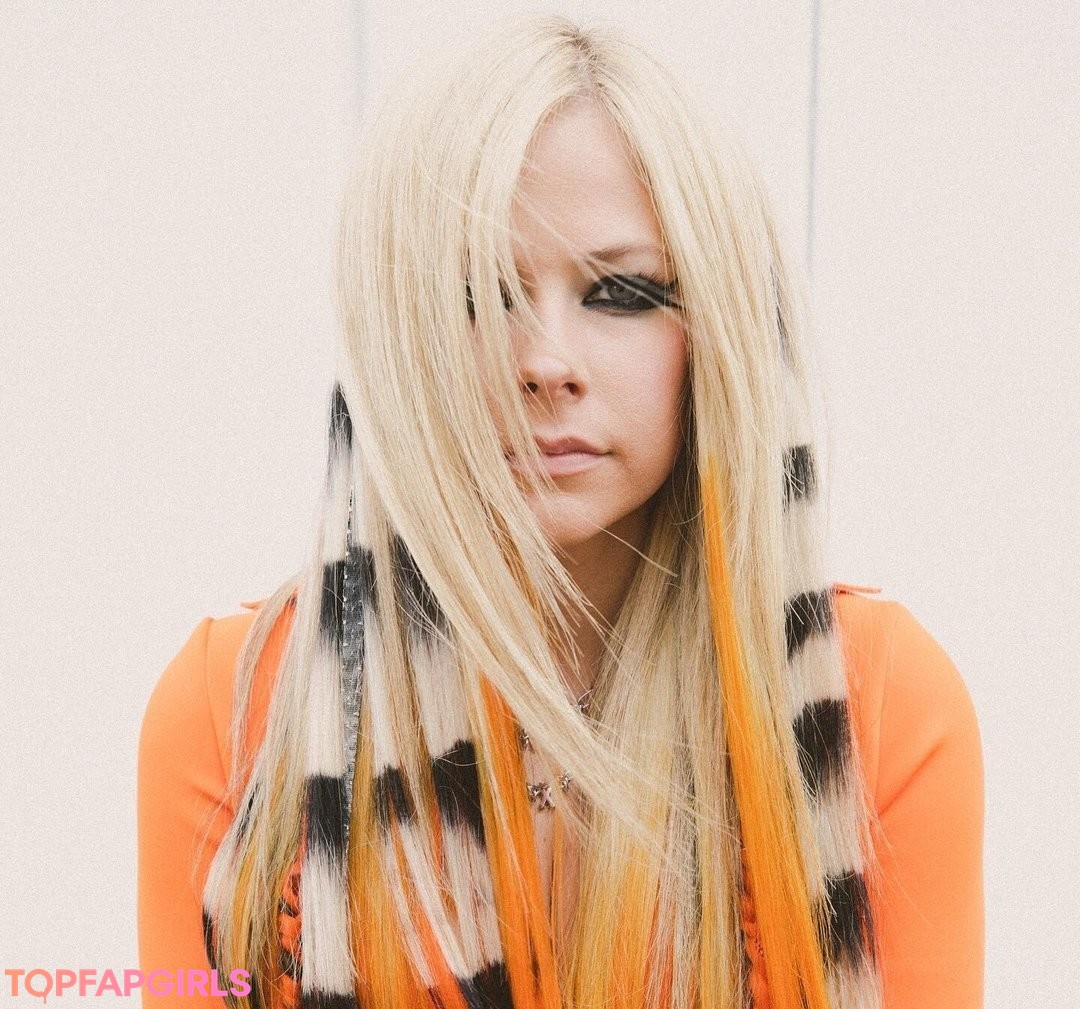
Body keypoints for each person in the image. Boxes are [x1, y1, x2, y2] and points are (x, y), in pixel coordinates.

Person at [137, 13, 983, 1009]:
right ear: (396, 334)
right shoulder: (237, 710)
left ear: (719, 326)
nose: (545, 362)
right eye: (475, 291)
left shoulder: (870, 702)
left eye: (621, 292)